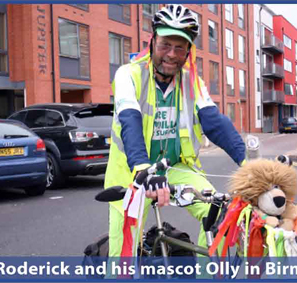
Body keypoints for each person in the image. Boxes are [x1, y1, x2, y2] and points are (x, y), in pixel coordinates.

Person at [104, 4, 246, 258]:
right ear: (152, 42)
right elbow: (130, 119)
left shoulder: (192, 82)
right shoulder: (129, 75)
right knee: (122, 258)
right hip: (132, 174)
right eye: (165, 45)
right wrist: (140, 167)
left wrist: (250, 166)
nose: (171, 54)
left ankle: (208, 275)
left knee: (222, 216)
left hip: (177, 169)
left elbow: (215, 122)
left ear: (188, 51)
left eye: (179, 47)